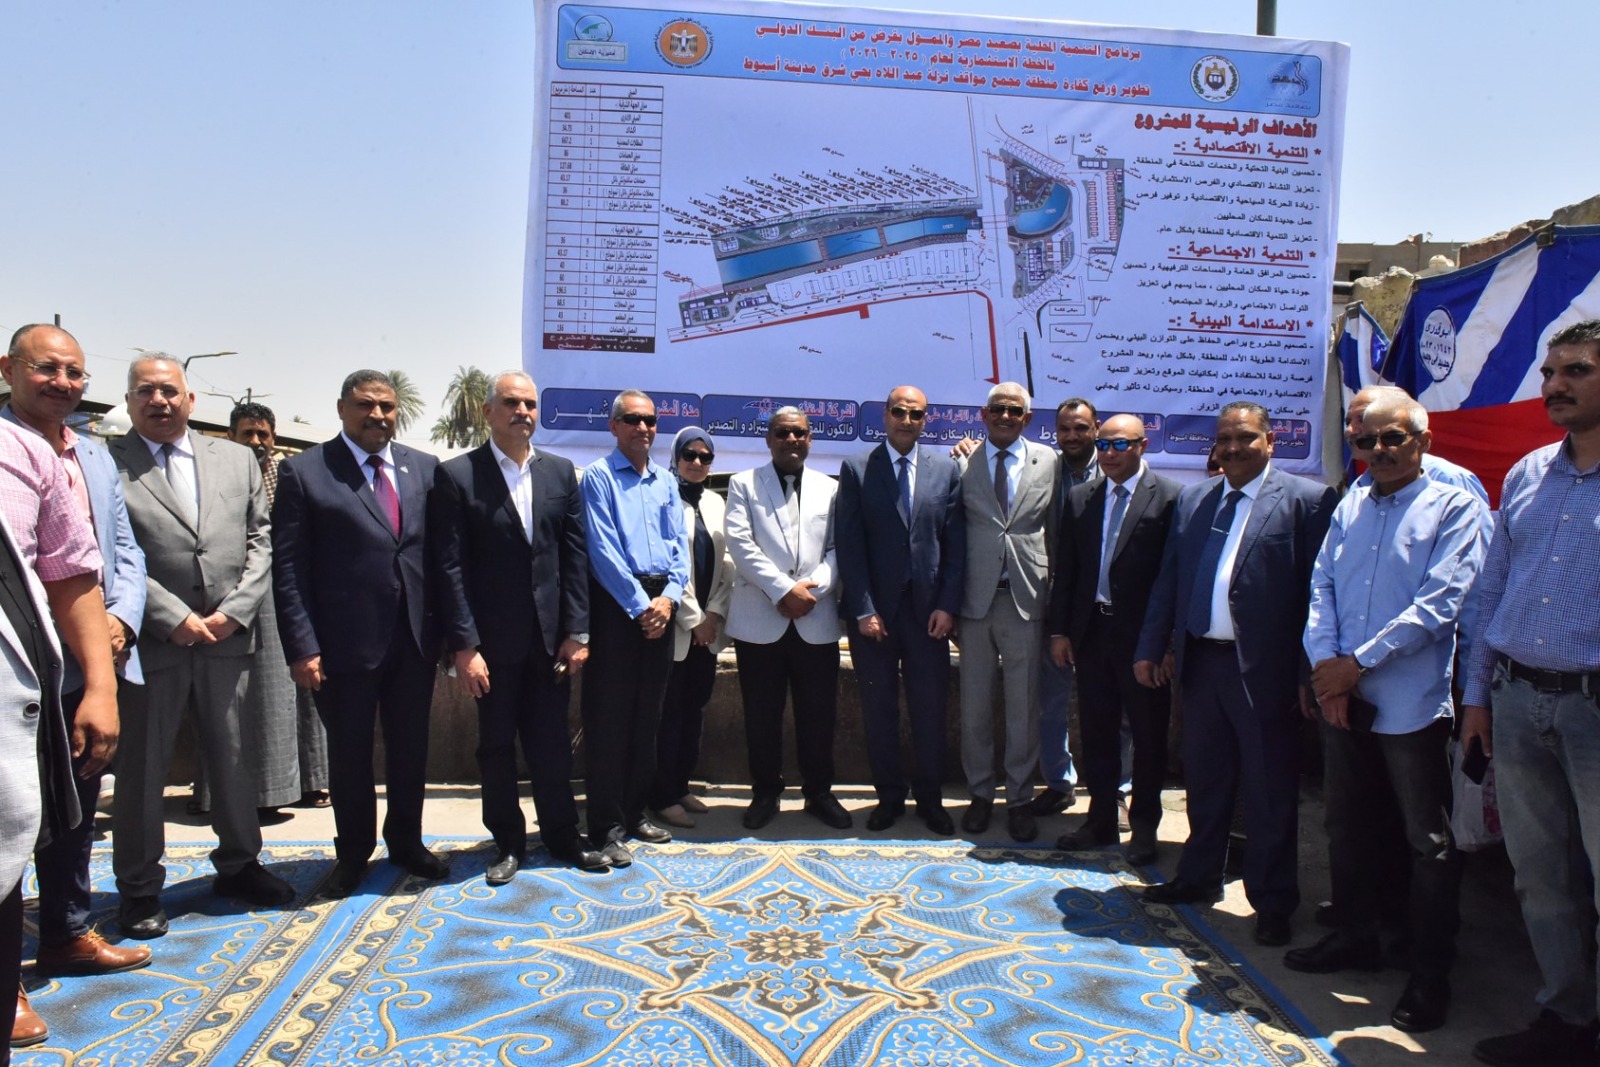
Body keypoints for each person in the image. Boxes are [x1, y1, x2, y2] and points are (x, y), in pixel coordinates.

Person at [1290, 393, 1488, 1034]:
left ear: (1422, 440)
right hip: (1342, 695)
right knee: (1346, 823)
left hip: (1412, 702)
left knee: (1426, 841)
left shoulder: (1455, 505)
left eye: (1392, 438)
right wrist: (1327, 669)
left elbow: (1442, 603)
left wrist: (1358, 664)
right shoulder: (1352, 502)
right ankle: (1355, 935)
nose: (1378, 451)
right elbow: (1321, 587)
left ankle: (1428, 971)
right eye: (1366, 442)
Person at [1134, 401, 1336, 948]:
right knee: (1205, 779)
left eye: (1244, 438)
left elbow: (1317, 597)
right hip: (1202, 663)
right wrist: (1153, 646)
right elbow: (1171, 580)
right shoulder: (1195, 499)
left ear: (1270, 441)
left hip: (1266, 671)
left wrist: (1307, 673)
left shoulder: (1307, 501)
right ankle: (1198, 877)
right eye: (1223, 439)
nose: (1231, 448)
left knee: (1269, 789)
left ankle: (1272, 900)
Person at [109, 355, 294, 938]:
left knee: (236, 759)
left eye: (169, 391)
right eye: (145, 391)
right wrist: (172, 616)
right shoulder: (105, 462)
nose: (159, 401)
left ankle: (240, 865)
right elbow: (112, 549)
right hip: (153, 641)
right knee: (143, 769)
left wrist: (235, 610)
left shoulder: (236, 459)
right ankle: (139, 887)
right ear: (130, 401)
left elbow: (261, 538)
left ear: (191, 400)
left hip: (227, 636)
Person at [1, 326, 150, 1041]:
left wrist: (115, 633)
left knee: (74, 805)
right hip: (16, 670)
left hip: (75, 661)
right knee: (8, 820)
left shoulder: (81, 453)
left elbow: (108, 554)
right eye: (47, 369)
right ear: (9, 370)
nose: (62, 383)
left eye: (74, 372)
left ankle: (65, 930)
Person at [1461, 320, 1600, 1067]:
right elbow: (1491, 592)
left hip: (1593, 709)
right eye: (1549, 372)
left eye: (1576, 370)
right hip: (1516, 702)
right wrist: (1478, 698)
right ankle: (1566, 1017)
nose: (1555, 385)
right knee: (1541, 876)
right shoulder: (1527, 474)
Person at [274, 370, 446, 899]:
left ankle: (407, 841)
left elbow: (439, 556)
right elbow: (289, 568)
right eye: (366, 405)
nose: (377, 415)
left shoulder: (424, 468)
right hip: (342, 645)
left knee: (410, 749)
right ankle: (353, 853)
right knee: (350, 755)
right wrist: (302, 646)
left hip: (413, 640)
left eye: (387, 407)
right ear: (342, 408)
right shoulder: (305, 471)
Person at [429, 371, 606, 878]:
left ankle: (563, 836)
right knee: (496, 747)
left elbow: (574, 556)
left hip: (550, 643)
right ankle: (507, 843)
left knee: (552, 745)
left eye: (529, 403)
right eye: (511, 402)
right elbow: (450, 567)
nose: (522, 412)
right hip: (491, 645)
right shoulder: (458, 475)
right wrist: (465, 646)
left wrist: (577, 632)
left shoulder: (560, 473)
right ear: (489, 412)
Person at [1048, 414, 1180, 865]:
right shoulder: (1082, 497)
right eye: (1103, 445)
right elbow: (1067, 570)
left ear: (1142, 445)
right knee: (1097, 733)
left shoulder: (1170, 498)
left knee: (1147, 737)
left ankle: (1144, 828)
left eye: (1119, 445)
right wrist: (1060, 630)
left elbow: (1173, 578)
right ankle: (1100, 820)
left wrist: (1164, 644)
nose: (1108, 453)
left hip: (1143, 638)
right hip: (1093, 634)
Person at [836, 386, 965, 834]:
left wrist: (948, 605)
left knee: (930, 710)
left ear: (925, 420)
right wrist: (863, 608)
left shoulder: (946, 470)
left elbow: (955, 544)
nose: (906, 420)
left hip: (928, 614)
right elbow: (849, 544)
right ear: (885, 416)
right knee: (879, 709)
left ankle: (930, 800)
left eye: (915, 414)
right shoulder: (857, 468)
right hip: (876, 616)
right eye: (898, 412)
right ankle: (889, 797)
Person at [723, 408, 850, 831]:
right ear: (769, 439)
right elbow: (741, 544)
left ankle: (819, 793)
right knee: (762, 714)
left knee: (819, 714)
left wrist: (811, 591)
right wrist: (783, 591)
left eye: (799, 433)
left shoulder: (831, 488)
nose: (791, 440)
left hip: (815, 615)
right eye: (782, 433)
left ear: (810, 438)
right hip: (761, 619)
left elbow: (838, 548)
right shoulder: (743, 484)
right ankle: (765, 792)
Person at [580, 390, 689, 867]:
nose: (642, 427)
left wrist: (669, 598)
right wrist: (642, 606)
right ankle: (605, 826)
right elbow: (602, 550)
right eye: (632, 419)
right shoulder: (599, 477)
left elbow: (679, 547)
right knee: (610, 721)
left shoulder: (666, 481)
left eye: (649, 420)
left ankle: (634, 812)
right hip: (618, 607)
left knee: (648, 718)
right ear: (614, 426)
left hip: (661, 607)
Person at [954, 383, 1057, 841]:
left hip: (1026, 598)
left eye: (1015, 410)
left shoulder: (1049, 461)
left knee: (1023, 707)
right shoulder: (963, 460)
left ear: (1027, 419)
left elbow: (1056, 525)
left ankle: (1019, 799)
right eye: (997, 408)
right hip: (975, 601)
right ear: (984, 414)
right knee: (974, 706)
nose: (1005, 416)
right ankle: (979, 794)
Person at [228, 402, 329, 811]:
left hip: (291, 592)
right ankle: (251, 791)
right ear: (231, 437)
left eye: (263, 435)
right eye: (247, 434)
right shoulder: (222, 476)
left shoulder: (288, 475)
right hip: (236, 595)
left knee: (305, 690)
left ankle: (313, 781)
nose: (256, 442)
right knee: (248, 695)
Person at [649, 427, 732, 830]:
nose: (697, 463)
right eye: (689, 455)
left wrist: (714, 613)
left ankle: (680, 786)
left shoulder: (716, 502)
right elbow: (668, 566)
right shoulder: (661, 498)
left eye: (705, 457)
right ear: (675, 457)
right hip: (676, 630)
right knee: (668, 714)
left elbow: (728, 564)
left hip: (708, 633)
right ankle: (661, 796)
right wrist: (694, 618)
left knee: (693, 710)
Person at [1027, 398, 1101, 818]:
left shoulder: (1114, 469)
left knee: (1110, 706)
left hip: (1102, 606)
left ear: (1096, 429)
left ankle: (1116, 791)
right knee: (1050, 701)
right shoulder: (1046, 470)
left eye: (1081, 428)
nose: (1072, 436)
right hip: (1055, 602)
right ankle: (1059, 783)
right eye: (1065, 429)